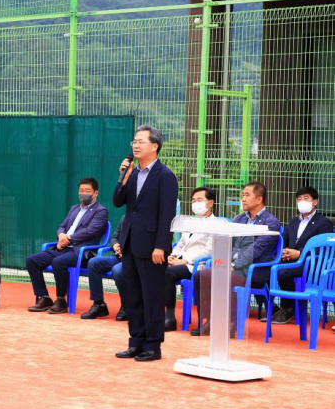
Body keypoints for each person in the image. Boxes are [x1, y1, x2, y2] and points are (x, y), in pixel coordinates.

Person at [113, 125, 178, 362]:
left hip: (152, 247)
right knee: (133, 296)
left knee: (152, 297)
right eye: (134, 142)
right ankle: (136, 342)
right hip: (130, 242)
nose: (135, 145)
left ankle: (153, 345)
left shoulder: (165, 176)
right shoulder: (132, 173)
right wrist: (124, 177)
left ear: (154, 146)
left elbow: (167, 214)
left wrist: (161, 245)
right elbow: (118, 201)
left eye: (140, 142)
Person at [192, 182, 281, 336]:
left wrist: (233, 265)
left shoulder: (271, 222)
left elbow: (256, 250)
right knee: (202, 275)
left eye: (247, 195)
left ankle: (229, 323)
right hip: (233, 267)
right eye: (242, 196)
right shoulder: (239, 218)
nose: (243, 199)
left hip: (254, 270)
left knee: (222, 276)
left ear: (259, 199)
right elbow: (228, 243)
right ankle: (208, 320)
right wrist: (223, 261)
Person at [25, 178, 109, 314]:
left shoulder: (101, 211)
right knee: (32, 260)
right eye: (81, 191)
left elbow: (90, 231)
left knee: (58, 262)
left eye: (87, 191)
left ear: (95, 193)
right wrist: (61, 236)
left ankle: (61, 301)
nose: (84, 194)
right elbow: (62, 226)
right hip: (62, 248)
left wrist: (68, 238)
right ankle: (44, 297)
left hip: (81, 252)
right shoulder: (74, 208)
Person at [270, 186, 333, 324]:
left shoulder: (323, 222)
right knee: (268, 269)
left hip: (313, 264)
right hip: (291, 261)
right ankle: (278, 308)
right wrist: (284, 252)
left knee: (283, 273)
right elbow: (284, 240)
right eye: (299, 199)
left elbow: (324, 248)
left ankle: (288, 309)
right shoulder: (293, 222)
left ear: (315, 202)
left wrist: (299, 254)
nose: (302, 201)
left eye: (306, 198)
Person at [163, 187, 218, 332]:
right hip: (181, 263)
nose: (195, 203)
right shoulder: (190, 222)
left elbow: (210, 250)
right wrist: (173, 256)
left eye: (200, 200)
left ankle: (169, 318)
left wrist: (185, 261)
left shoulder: (216, 224)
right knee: (158, 267)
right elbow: (181, 243)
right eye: (193, 200)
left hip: (198, 265)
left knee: (167, 272)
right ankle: (158, 314)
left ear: (210, 203)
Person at [80, 215, 127, 320]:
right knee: (94, 262)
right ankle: (99, 304)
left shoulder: (145, 218)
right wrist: (115, 246)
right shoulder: (124, 217)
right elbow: (114, 237)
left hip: (132, 259)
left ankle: (126, 306)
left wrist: (127, 251)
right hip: (118, 257)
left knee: (117, 270)